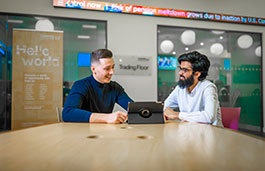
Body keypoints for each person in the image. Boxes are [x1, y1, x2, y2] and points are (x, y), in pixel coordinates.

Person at [63, 49, 133, 123]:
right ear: (93, 69)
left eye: (113, 67)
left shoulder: (115, 88)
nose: (112, 72)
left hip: (105, 132)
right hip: (83, 132)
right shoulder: (80, 85)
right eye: (107, 68)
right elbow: (67, 113)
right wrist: (107, 118)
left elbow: (134, 109)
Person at [163, 51, 223, 126]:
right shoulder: (180, 88)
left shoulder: (208, 88)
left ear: (197, 74)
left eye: (185, 70)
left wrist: (178, 115)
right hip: (190, 131)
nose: (180, 73)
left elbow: (208, 117)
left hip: (210, 133)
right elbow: (165, 107)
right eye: (180, 69)